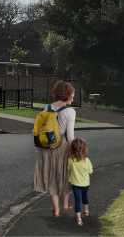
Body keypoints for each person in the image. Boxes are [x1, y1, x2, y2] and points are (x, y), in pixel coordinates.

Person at [33, 80, 77, 217]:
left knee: (51, 175)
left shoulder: (47, 108)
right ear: (67, 95)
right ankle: (65, 204)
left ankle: (56, 209)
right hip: (61, 146)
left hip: (46, 147)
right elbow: (70, 135)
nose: (73, 97)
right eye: (73, 95)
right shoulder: (70, 111)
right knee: (64, 174)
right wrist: (75, 149)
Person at [68, 138, 93, 226]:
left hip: (75, 183)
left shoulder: (71, 160)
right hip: (85, 183)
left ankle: (79, 219)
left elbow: (69, 168)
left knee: (77, 200)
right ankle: (86, 211)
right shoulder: (87, 161)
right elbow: (90, 171)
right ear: (84, 149)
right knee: (85, 197)